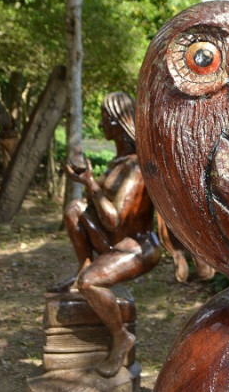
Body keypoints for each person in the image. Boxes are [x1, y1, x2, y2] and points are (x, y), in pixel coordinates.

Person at [52, 91, 161, 378]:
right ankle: (84, 267)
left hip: (138, 247)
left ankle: (121, 337)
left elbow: (113, 219)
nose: (101, 126)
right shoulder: (119, 161)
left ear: (117, 122)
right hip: (117, 241)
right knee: (74, 209)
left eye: (104, 120)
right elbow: (97, 207)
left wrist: (90, 182)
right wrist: (84, 179)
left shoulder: (136, 166)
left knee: (90, 284)